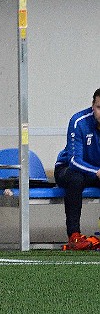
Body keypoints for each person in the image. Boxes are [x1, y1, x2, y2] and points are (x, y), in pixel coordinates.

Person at [54, 88, 100, 251]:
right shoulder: (78, 121)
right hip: (68, 169)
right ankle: (74, 235)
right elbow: (74, 161)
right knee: (76, 179)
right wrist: (97, 172)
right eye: (99, 107)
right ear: (92, 106)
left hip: (97, 172)